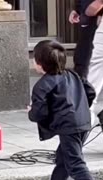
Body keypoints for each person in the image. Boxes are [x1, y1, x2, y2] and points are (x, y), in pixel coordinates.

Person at [28, 40, 95, 180]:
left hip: (68, 126)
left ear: (39, 64)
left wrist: (31, 111)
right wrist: (80, 108)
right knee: (63, 159)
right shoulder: (74, 75)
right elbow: (90, 92)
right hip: (83, 121)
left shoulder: (42, 86)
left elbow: (39, 113)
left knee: (75, 164)